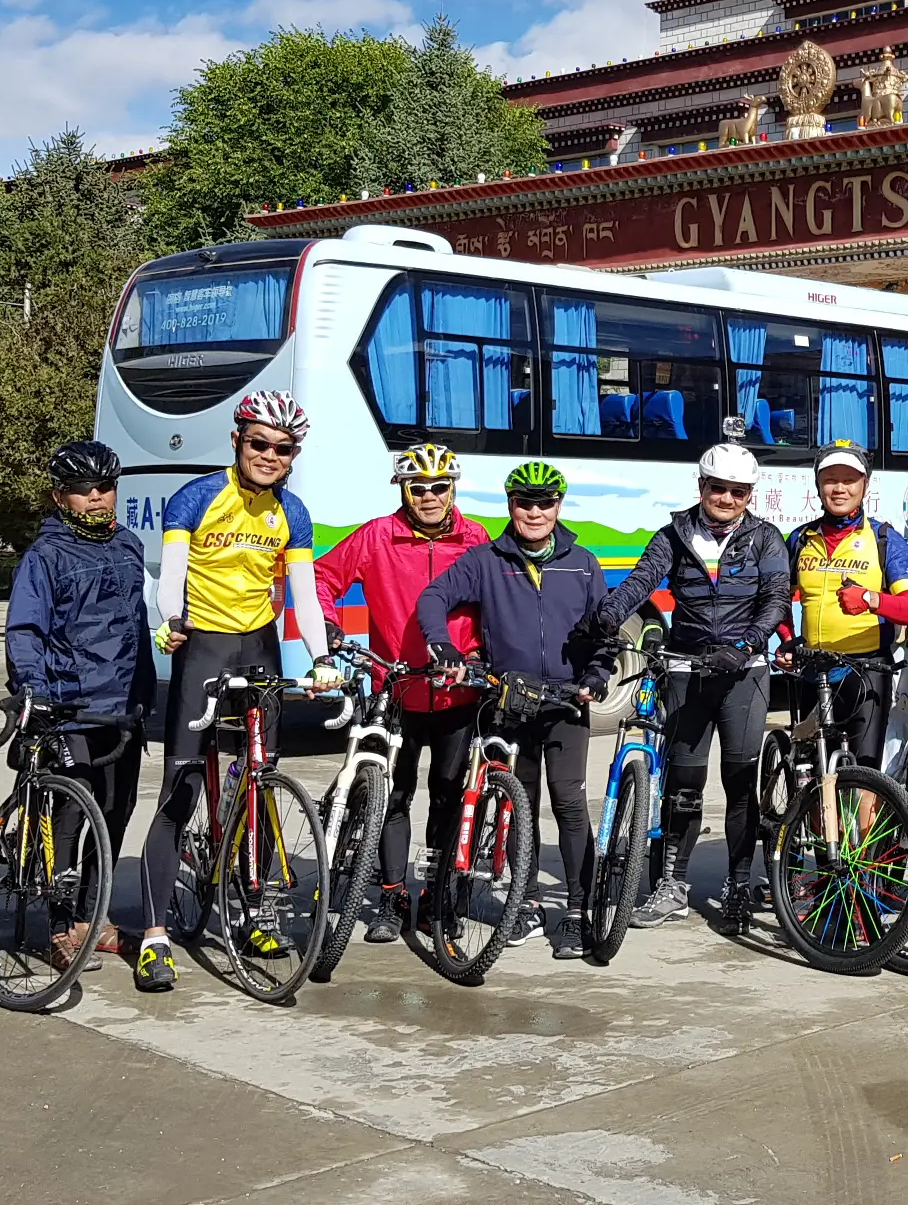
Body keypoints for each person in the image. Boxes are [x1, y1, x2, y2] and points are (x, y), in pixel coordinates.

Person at [135, 389, 340, 992]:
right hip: (202, 645)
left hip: (260, 645)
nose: (270, 456)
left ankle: (254, 907)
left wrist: (323, 655)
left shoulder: (291, 512)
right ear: (237, 441)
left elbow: (303, 592)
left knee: (261, 781)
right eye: (259, 444)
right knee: (182, 787)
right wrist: (171, 623)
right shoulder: (196, 498)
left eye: (283, 449)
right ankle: (153, 937)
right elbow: (169, 579)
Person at [417, 461, 618, 960]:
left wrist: (596, 673)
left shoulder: (583, 562)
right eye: (524, 502)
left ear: (558, 507)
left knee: (570, 802)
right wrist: (441, 644)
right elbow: (434, 595)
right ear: (510, 506)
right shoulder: (486, 560)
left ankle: (577, 908)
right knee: (518, 805)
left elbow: (605, 631)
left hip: (567, 703)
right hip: (510, 702)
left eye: (544, 502)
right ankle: (525, 900)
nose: (534, 511)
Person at [589, 440, 791, 935]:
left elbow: (776, 598)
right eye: (717, 488)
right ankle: (673, 887)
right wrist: (613, 613)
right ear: (701, 486)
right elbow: (643, 579)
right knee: (684, 784)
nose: (726, 498)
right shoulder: (673, 534)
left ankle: (740, 885)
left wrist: (745, 646)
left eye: (737, 491)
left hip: (744, 673)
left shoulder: (766, 538)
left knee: (741, 785)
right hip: (687, 670)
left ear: (749, 494)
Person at [310, 442, 490, 946]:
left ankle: (438, 894)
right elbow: (323, 576)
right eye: (418, 487)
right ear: (403, 490)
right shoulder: (376, 536)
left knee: (450, 796)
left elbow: (499, 596)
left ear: (453, 488)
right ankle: (392, 894)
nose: (429, 496)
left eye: (439, 487)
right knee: (393, 797)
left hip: (457, 693)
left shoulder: (475, 537)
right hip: (396, 688)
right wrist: (326, 621)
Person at [2, 440, 155, 973]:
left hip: (124, 707)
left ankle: (94, 916)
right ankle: (59, 925)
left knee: (115, 814)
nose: (96, 498)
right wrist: (33, 692)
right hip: (68, 707)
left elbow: (136, 626)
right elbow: (25, 630)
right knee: (69, 814)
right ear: (60, 497)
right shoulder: (46, 556)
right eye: (82, 490)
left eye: (105, 487)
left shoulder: (129, 545)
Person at [780, 440, 908, 771]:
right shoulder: (800, 539)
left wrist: (871, 600)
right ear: (818, 485)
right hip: (813, 670)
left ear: (865, 485)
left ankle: (862, 827)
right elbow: (778, 600)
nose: (840, 488)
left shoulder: (885, 540)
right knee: (815, 776)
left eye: (850, 480)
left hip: (867, 671)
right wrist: (787, 638)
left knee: (864, 774)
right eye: (831, 479)